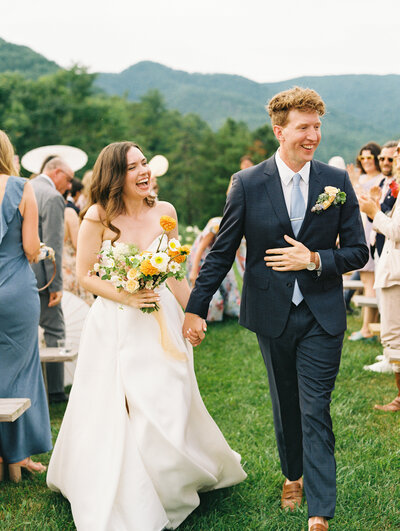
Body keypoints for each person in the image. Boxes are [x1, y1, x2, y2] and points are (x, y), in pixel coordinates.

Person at [183, 87, 368, 531]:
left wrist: (316, 259)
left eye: (317, 126)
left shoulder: (336, 182)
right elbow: (222, 251)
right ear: (279, 130)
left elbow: (359, 252)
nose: (313, 136)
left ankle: (320, 511)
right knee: (286, 403)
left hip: (323, 313)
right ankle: (293, 475)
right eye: (304, 127)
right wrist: (195, 307)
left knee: (315, 408)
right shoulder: (247, 184)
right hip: (272, 314)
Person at [47, 141, 246, 530]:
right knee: (123, 405)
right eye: (132, 167)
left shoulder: (165, 213)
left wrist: (193, 312)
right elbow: (87, 275)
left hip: (164, 322)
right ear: (114, 176)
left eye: (144, 164)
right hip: (117, 325)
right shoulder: (98, 216)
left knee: (169, 395)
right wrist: (127, 294)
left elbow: (173, 272)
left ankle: (171, 481)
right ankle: (130, 486)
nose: (144, 172)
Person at [0, 130, 51, 482]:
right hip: (15, 289)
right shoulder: (21, 187)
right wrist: (41, 251)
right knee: (21, 369)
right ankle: (17, 455)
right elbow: (31, 247)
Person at [359, 139, 400, 411]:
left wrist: (374, 213)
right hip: (391, 269)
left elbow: (396, 232)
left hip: (396, 273)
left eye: (397, 156)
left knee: (395, 338)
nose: (394, 161)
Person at [31, 157, 74, 403]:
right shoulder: (52, 197)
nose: (69, 186)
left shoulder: (25, 187)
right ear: (56, 172)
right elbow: (52, 245)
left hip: (18, 276)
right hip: (42, 279)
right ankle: (55, 391)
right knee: (55, 329)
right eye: (67, 179)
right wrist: (55, 285)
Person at [349, 142, 382, 341]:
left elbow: (364, 202)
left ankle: (366, 329)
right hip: (359, 229)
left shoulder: (379, 179)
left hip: (371, 230)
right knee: (366, 280)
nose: (367, 161)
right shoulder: (360, 177)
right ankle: (370, 327)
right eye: (363, 157)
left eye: (370, 157)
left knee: (370, 280)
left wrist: (355, 182)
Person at [188, 216, 240, 321]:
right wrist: (194, 272)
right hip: (201, 259)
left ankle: (230, 310)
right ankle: (206, 315)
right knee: (209, 287)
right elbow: (200, 248)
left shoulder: (236, 227)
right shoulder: (216, 226)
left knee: (230, 282)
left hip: (219, 257)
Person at [62, 198, 94, 305]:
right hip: (71, 268)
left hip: (57, 269)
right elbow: (78, 244)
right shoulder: (69, 213)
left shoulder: (41, 209)